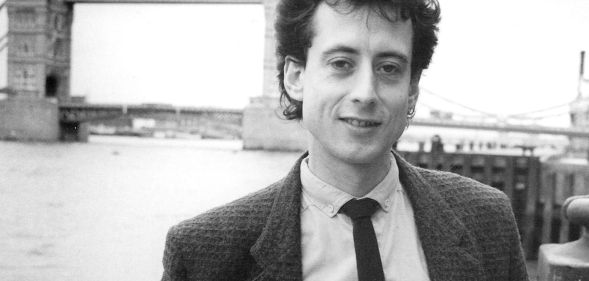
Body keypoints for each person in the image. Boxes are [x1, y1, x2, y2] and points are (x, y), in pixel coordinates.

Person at [161, 0, 529, 280]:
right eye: (341, 63)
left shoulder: (487, 220)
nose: (366, 93)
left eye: (389, 68)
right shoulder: (203, 254)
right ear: (296, 77)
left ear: (412, 90)